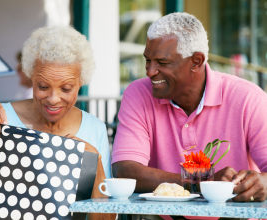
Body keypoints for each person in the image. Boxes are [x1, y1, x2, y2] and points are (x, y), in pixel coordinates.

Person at [112, 12, 267, 220]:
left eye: (162, 62)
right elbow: (125, 170)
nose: (150, 71)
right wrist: (203, 182)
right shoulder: (138, 94)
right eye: (147, 60)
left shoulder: (248, 98)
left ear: (196, 61)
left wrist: (263, 182)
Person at [0, 26, 114, 220]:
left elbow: (104, 218)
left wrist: (96, 166)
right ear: (31, 76)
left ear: (81, 82)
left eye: (66, 88)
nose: (53, 99)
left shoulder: (94, 128)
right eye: (43, 87)